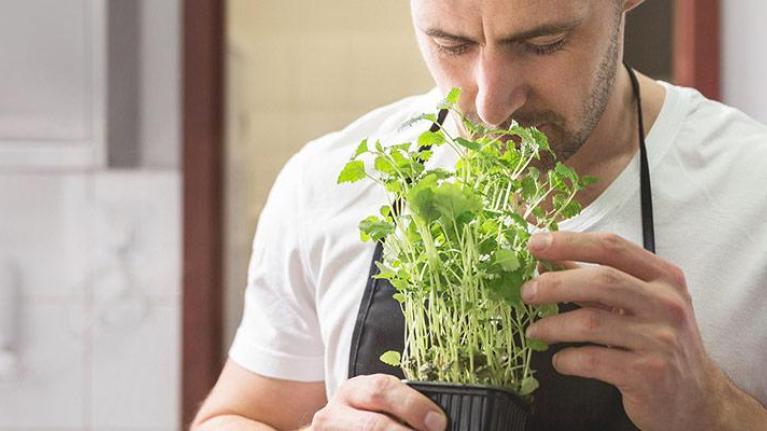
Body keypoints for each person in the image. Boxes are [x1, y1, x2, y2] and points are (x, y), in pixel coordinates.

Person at [191, 0, 767, 429]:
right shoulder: (329, 180)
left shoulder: (751, 188)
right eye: (451, 44)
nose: (490, 103)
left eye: (543, 44)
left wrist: (714, 409)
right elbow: (237, 416)